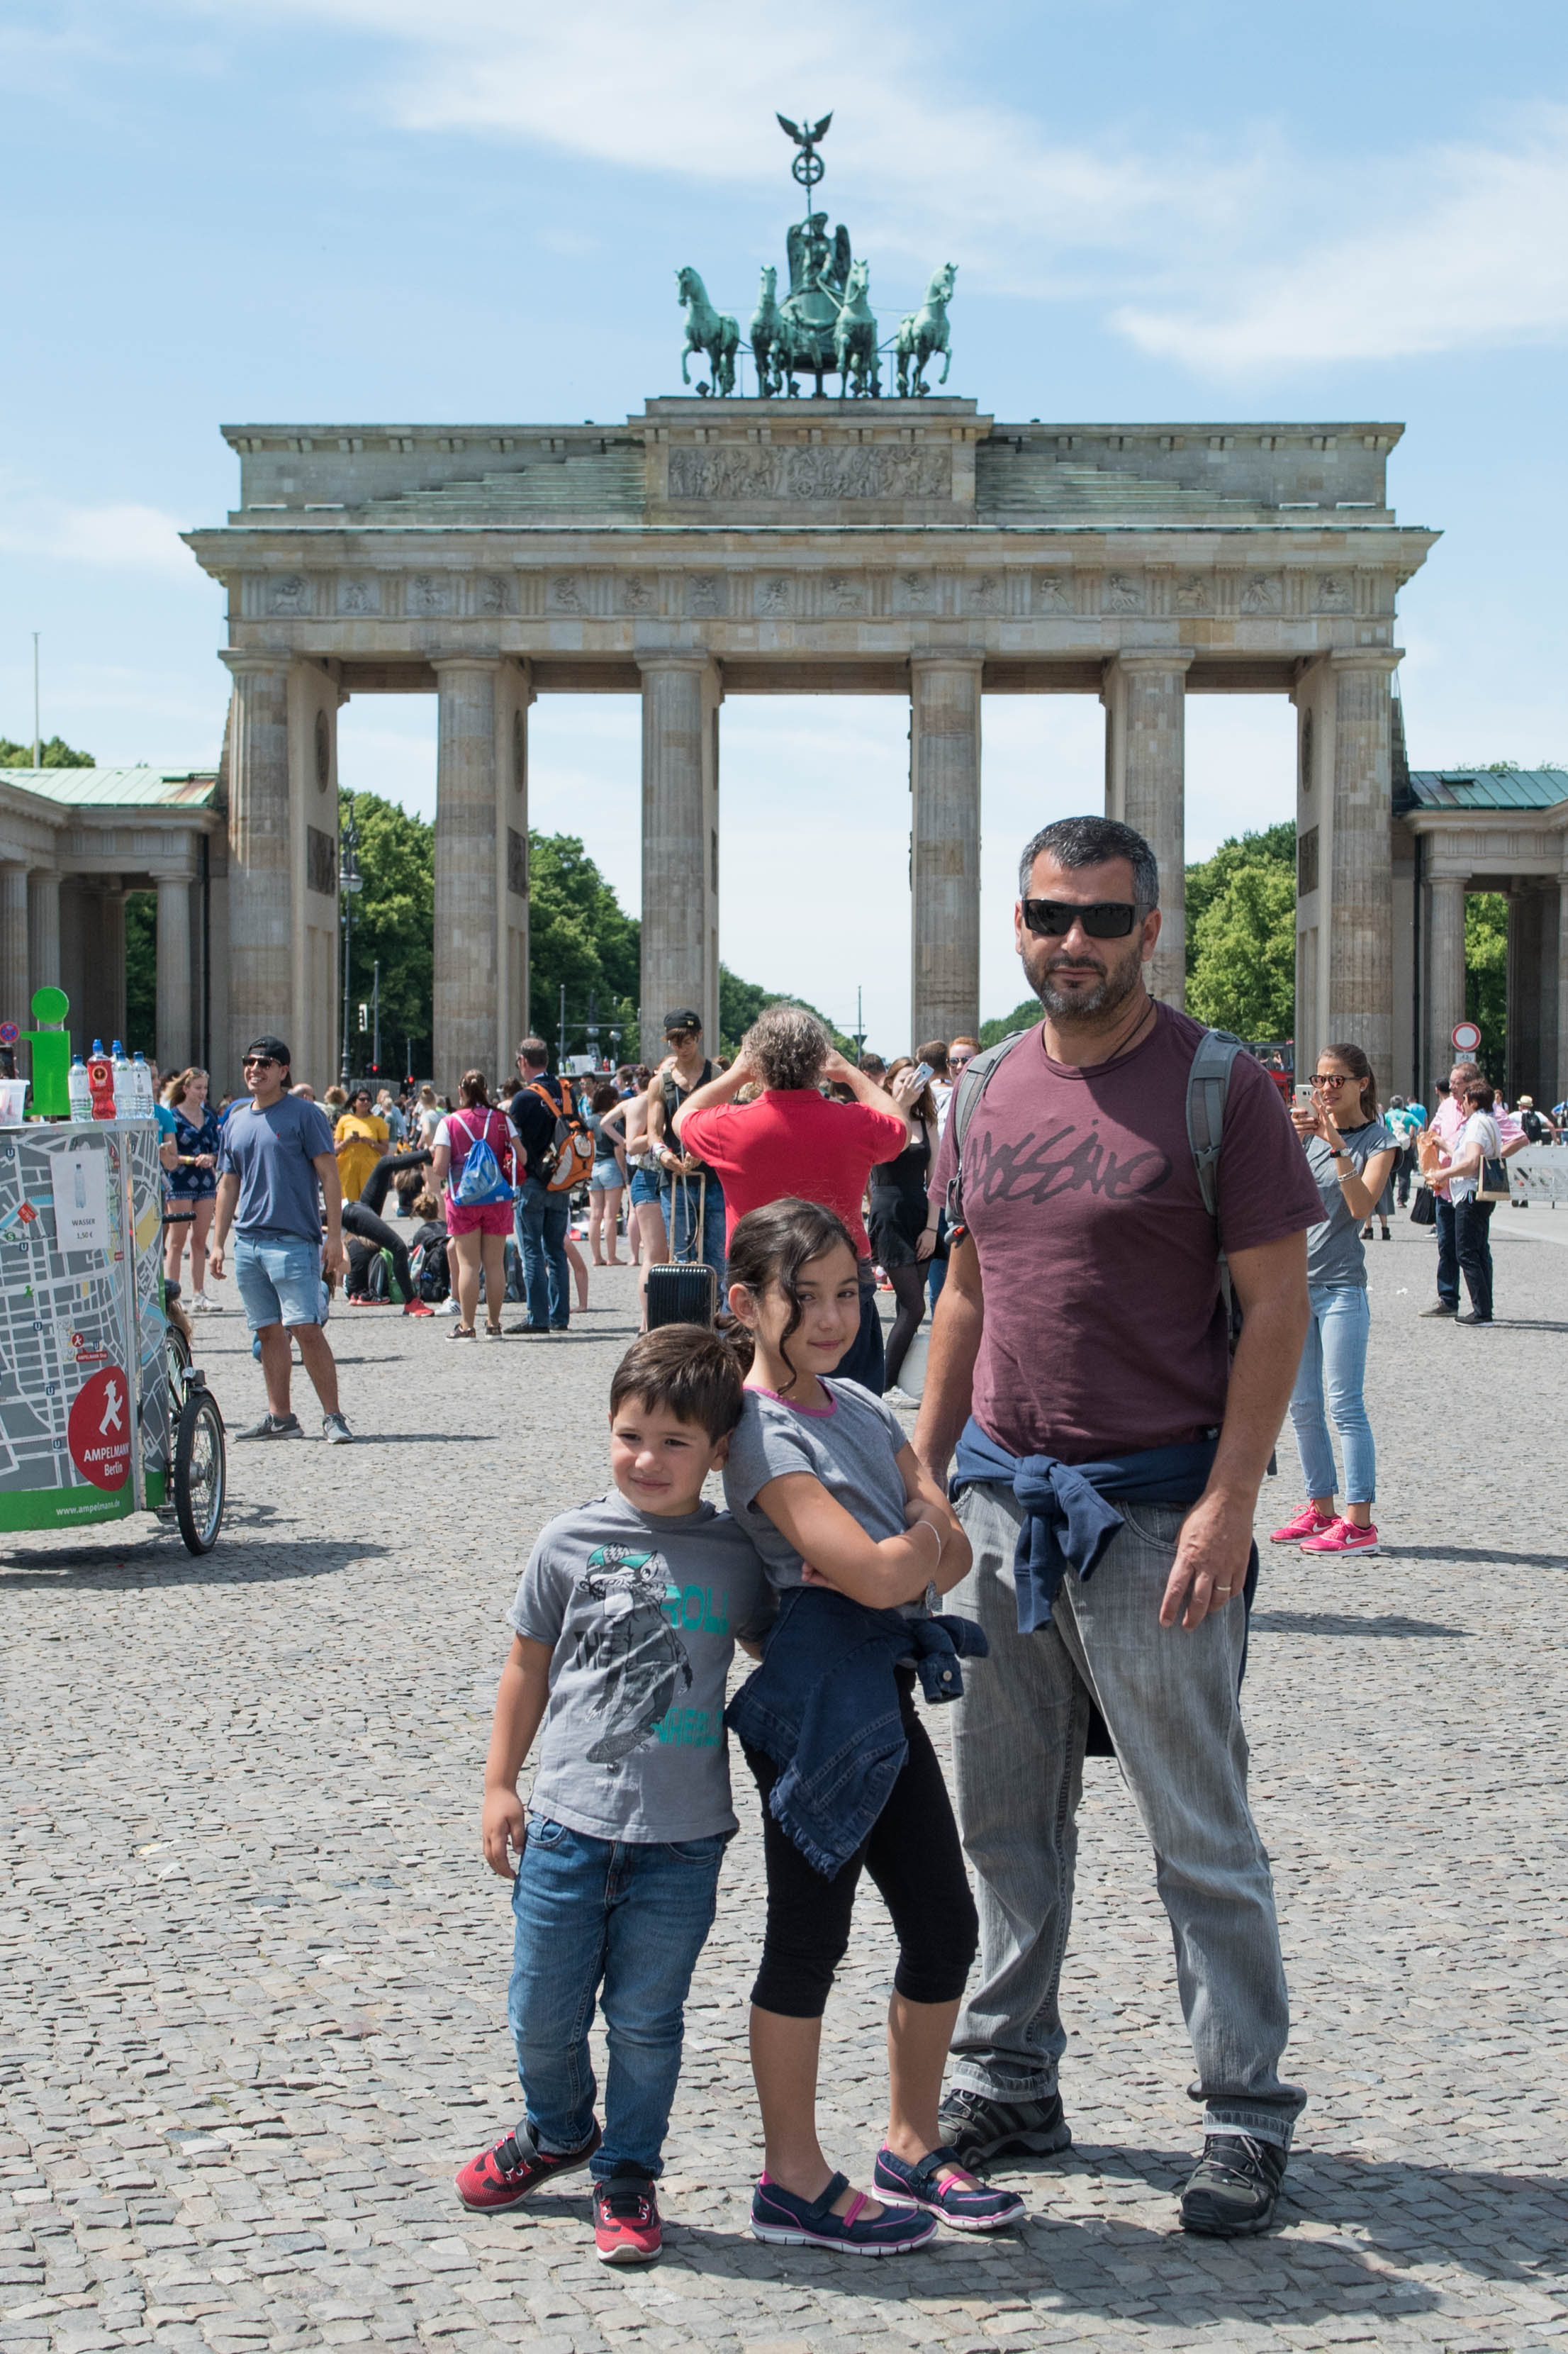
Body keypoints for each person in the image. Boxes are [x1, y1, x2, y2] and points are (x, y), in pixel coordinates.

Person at [914, 814, 1322, 2237]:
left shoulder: (1220, 1087)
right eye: (1048, 915)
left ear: (1150, 928)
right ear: (1018, 926)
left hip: (1154, 1509)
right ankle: (1008, 2075)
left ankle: (1243, 2109)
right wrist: (923, 1477)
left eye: (1099, 917)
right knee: (1004, 1820)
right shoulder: (979, 1091)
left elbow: (1276, 1306)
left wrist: (1229, 1501)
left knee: (1195, 1826)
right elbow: (964, 1295)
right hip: (1000, 1505)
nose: (1071, 941)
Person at [722, 1199, 1021, 2253]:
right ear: (746, 1303)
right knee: (808, 1939)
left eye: (848, 1292)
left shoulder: (856, 1400)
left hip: (883, 1690)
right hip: (814, 1709)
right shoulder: (756, 1430)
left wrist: (914, 1541)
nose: (832, 1316)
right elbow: (885, 1565)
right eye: (802, 1296)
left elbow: (942, 1558)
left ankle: (910, 2140)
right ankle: (792, 2175)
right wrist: (918, 1534)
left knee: (944, 1924)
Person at [456, 1327, 772, 2265]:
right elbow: (526, 1666)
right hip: (566, 1827)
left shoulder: (737, 1555)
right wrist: (498, 1783)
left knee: (646, 2020)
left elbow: (773, 1644)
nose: (648, 1459)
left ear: (719, 1450)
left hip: (684, 1840)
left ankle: (628, 2172)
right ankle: (557, 2128)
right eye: (631, 1435)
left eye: (676, 1442)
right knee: (539, 2010)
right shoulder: (567, 1541)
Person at [673, 1006, 909, 1393]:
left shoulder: (728, 1126)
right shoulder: (855, 1123)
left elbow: (683, 1117)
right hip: (841, 1275)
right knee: (851, 1399)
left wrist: (737, 1074)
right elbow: (898, 1126)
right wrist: (850, 1072)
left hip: (759, 1276)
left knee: (756, 1397)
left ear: (757, 1061)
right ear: (820, 1062)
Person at [1272, 1046, 1397, 1557]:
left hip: (1343, 1288)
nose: (1325, 1089)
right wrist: (1288, 1138)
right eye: (1319, 1079)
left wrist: (1337, 1144)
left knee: (1345, 1404)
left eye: (1337, 1080)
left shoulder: (1380, 1142)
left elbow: (1361, 1206)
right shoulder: (1306, 1138)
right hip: (1297, 1286)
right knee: (1303, 1405)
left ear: (1362, 1083)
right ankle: (1320, 1508)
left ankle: (1359, 1522)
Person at [209, 1034, 354, 1444]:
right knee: (267, 1332)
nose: (254, 1069)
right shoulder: (236, 1119)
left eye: (265, 1063)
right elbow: (228, 1185)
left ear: (283, 1071)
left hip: (294, 1240)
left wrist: (335, 1237)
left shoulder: (305, 1115)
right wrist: (218, 1243)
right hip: (248, 1242)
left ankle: (333, 1416)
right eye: (249, 1062)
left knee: (306, 1327)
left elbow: (329, 1176)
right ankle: (281, 1417)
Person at [1419, 1062, 1525, 1317]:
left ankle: (1482, 1308)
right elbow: (1435, 1135)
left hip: (1469, 1188)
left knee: (1471, 1250)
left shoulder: (1485, 1116)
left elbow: (1515, 1140)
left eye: (1456, 1083)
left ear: (1471, 1087)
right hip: (1448, 1189)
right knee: (1448, 1245)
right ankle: (1450, 1300)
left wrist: (1490, 1161)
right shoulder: (1448, 1107)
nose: (1451, 1087)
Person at [866, 1057, 942, 1406]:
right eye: (902, 1079)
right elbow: (877, 1156)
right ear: (890, 1083)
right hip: (889, 1214)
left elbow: (936, 1179)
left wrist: (932, 1228)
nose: (910, 1085)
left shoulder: (927, 1123)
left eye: (916, 1080)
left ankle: (893, 1380)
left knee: (906, 1307)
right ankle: (883, 1383)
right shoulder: (879, 1119)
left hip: (920, 1213)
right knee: (915, 1306)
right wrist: (899, 1104)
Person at [431, 1072, 518, 1341]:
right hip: (498, 1197)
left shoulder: (449, 1122)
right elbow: (522, 1156)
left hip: (463, 1198)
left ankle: (467, 1326)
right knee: (495, 1264)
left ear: (461, 1091)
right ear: (486, 1090)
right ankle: (494, 1325)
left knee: (468, 1264)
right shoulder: (502, 1119)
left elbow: (439, 1168)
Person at [646, 1010, 726, 1285]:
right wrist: (661, 1153)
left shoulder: (717, 1077)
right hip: (675, 1178)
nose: (682, 1048)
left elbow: (725, 1124)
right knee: (681, 1255)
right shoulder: (660, 1082)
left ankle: (717, 1308)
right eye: (675, 1043)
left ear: (699, 1036)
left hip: (714, 1179)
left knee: (717, 1255)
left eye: (688, 1041)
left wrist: (703, 1149)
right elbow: (653, 1132)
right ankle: (686, 1308)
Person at [508, 1038, 573, 1337]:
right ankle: (560, 1315)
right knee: (556, 1251)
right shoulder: (566, 1092)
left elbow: (514, 1141)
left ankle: (538, 1317)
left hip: (532, 1181)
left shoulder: (523, 1098)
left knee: (532, 1251)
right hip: (562, 1180)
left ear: (523, 1061)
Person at [1426, 1078, 1502, 1324]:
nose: (1463, 1105)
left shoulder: (1476, 1124)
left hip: (1469, 1194)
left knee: (1466, 1253)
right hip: (1482, 1194)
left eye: (1466, 1101)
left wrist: (1443, 1174)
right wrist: (1446, 1147)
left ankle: (1482, 1312)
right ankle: (1485, 1307)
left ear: (1474, 1102)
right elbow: (1468, 1155)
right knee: (1479, 1251)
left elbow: (1471, 1163)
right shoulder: (1490, 1121)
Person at [598, 1076, 668, 1328]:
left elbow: (606, 1123)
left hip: (663, 1176)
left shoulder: (638, 1102)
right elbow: (631, 1144)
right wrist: (654, 1135)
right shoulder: (641, 1102)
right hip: (649, 1175)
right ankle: (646, 1323)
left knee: (666, 1255)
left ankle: (654, 1320)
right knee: (655, 1254)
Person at [163, 1068, 224, 1311]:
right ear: (186, 1088)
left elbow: (218, 1149)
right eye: (198, 1088)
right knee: (177, 1242)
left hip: (205, 1182)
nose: (202, 1093)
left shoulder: (209, 1116)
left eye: (205, 1088)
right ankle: (173, 1297)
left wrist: (211, 1157)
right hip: (180, 1180)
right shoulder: (173, 1117)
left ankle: (199, 1294)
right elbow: (169, 1153)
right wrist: (192, 1160)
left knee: (200, 1240)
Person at [583, 1082, 627, 1266]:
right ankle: (611, 1257)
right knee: (610, 1215)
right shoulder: (613, 1121)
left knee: (595, 1215)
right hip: (610, 1166)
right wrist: (624, 1173)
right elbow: (618, 1150)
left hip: (593, 1167)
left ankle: (596, 1257)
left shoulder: (589, 1121)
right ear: (613, 1101)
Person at [334, 1084, 389, 1204]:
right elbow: (336, 1149)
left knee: (368, 1205)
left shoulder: (378, 1122)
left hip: (370, 1170)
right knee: (349, 1206)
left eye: (368, 1099)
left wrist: (370, 1142)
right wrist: (347, 1141)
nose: (366, 1102)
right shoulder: (345, 1120)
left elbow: (385, 1150)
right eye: (362, 1099)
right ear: (354, 1103)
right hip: (348, 1170)